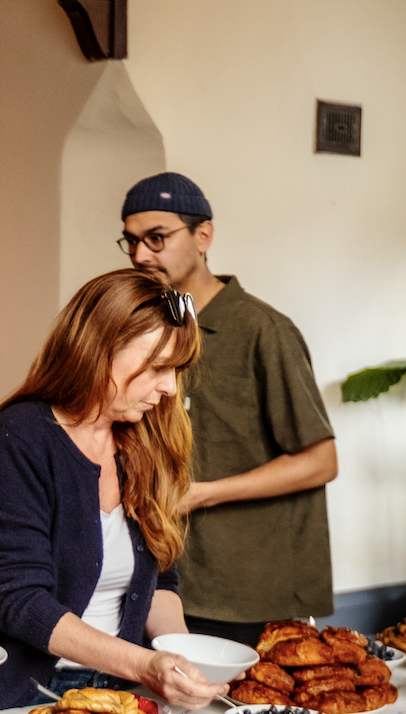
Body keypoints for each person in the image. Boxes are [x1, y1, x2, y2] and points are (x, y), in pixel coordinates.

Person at [0, 270, 222, 714]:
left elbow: (159, 579)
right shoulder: (18, 439)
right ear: (101, 351)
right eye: (159, 368)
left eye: (176, 371)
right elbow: (20, 601)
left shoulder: (142, 440)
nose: (170, 389)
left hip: (118, 692)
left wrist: (181, 658)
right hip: (13, 700)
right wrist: (145, 664)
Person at [121, 172, 337, 649]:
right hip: (162, 582)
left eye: (157, 238)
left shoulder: (265, 331)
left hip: (251, 591)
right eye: (132, 241)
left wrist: (202, 494)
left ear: (204, 236)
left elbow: (321, 461)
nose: (141, 255)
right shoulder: (146, 329)